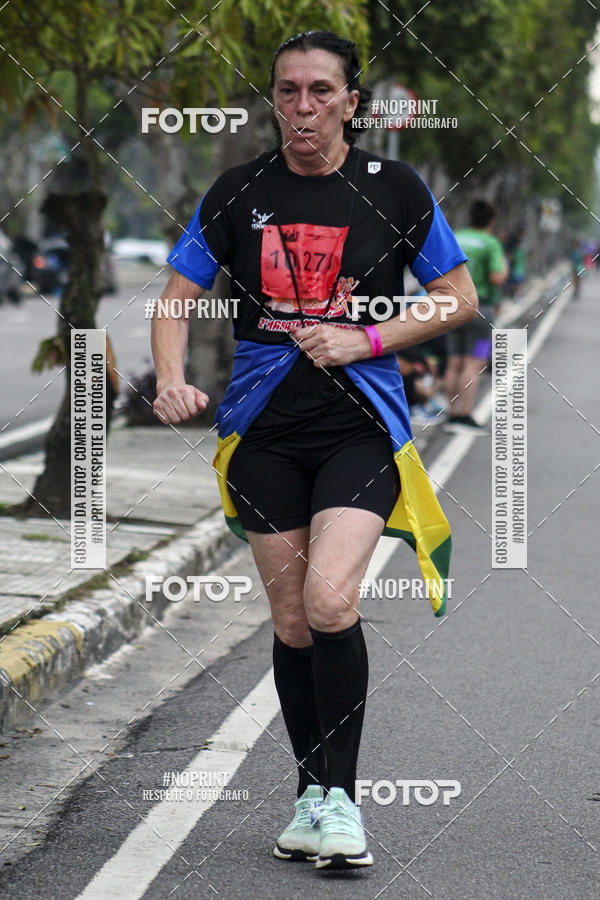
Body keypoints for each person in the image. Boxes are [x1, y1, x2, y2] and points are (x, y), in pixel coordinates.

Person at [151, 30, 477, 871]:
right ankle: (310, 796)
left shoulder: (394, 188)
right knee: (293, 621)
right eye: (288, 91)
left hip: (359, 427)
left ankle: (344, 803)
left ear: (350, 103)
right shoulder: (239, 189)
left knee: (331, 601)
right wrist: (171, 380)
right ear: (274, 100)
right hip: (263, 431)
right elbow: (176, 298)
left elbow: (456, 299)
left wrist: (363, 340)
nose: (303, 107)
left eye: (321, 91)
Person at [444, 199, 507, 434]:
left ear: (470, 218)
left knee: (454, 361)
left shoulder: (455, 237)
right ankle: (465, 416)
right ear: (492, 221)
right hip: (482, 310)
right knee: (475, 362)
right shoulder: (491, 243)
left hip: (452, 307)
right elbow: (496, 278)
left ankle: (451, 415)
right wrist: (505, 269)